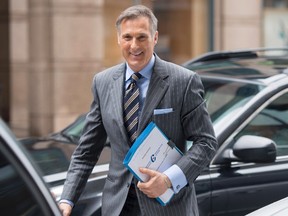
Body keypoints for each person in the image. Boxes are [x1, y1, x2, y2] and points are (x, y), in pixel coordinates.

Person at [59, 4, 217, 216]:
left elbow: (206, 143)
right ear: (118, 39)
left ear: (155, 38)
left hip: (168, 207)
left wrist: (169, 180)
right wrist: (67, 199)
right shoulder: (103, 82)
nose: (134, 45)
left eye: (142, 37)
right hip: (119, 207)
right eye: (127, 37)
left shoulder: (183, 81)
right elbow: (86, 152)